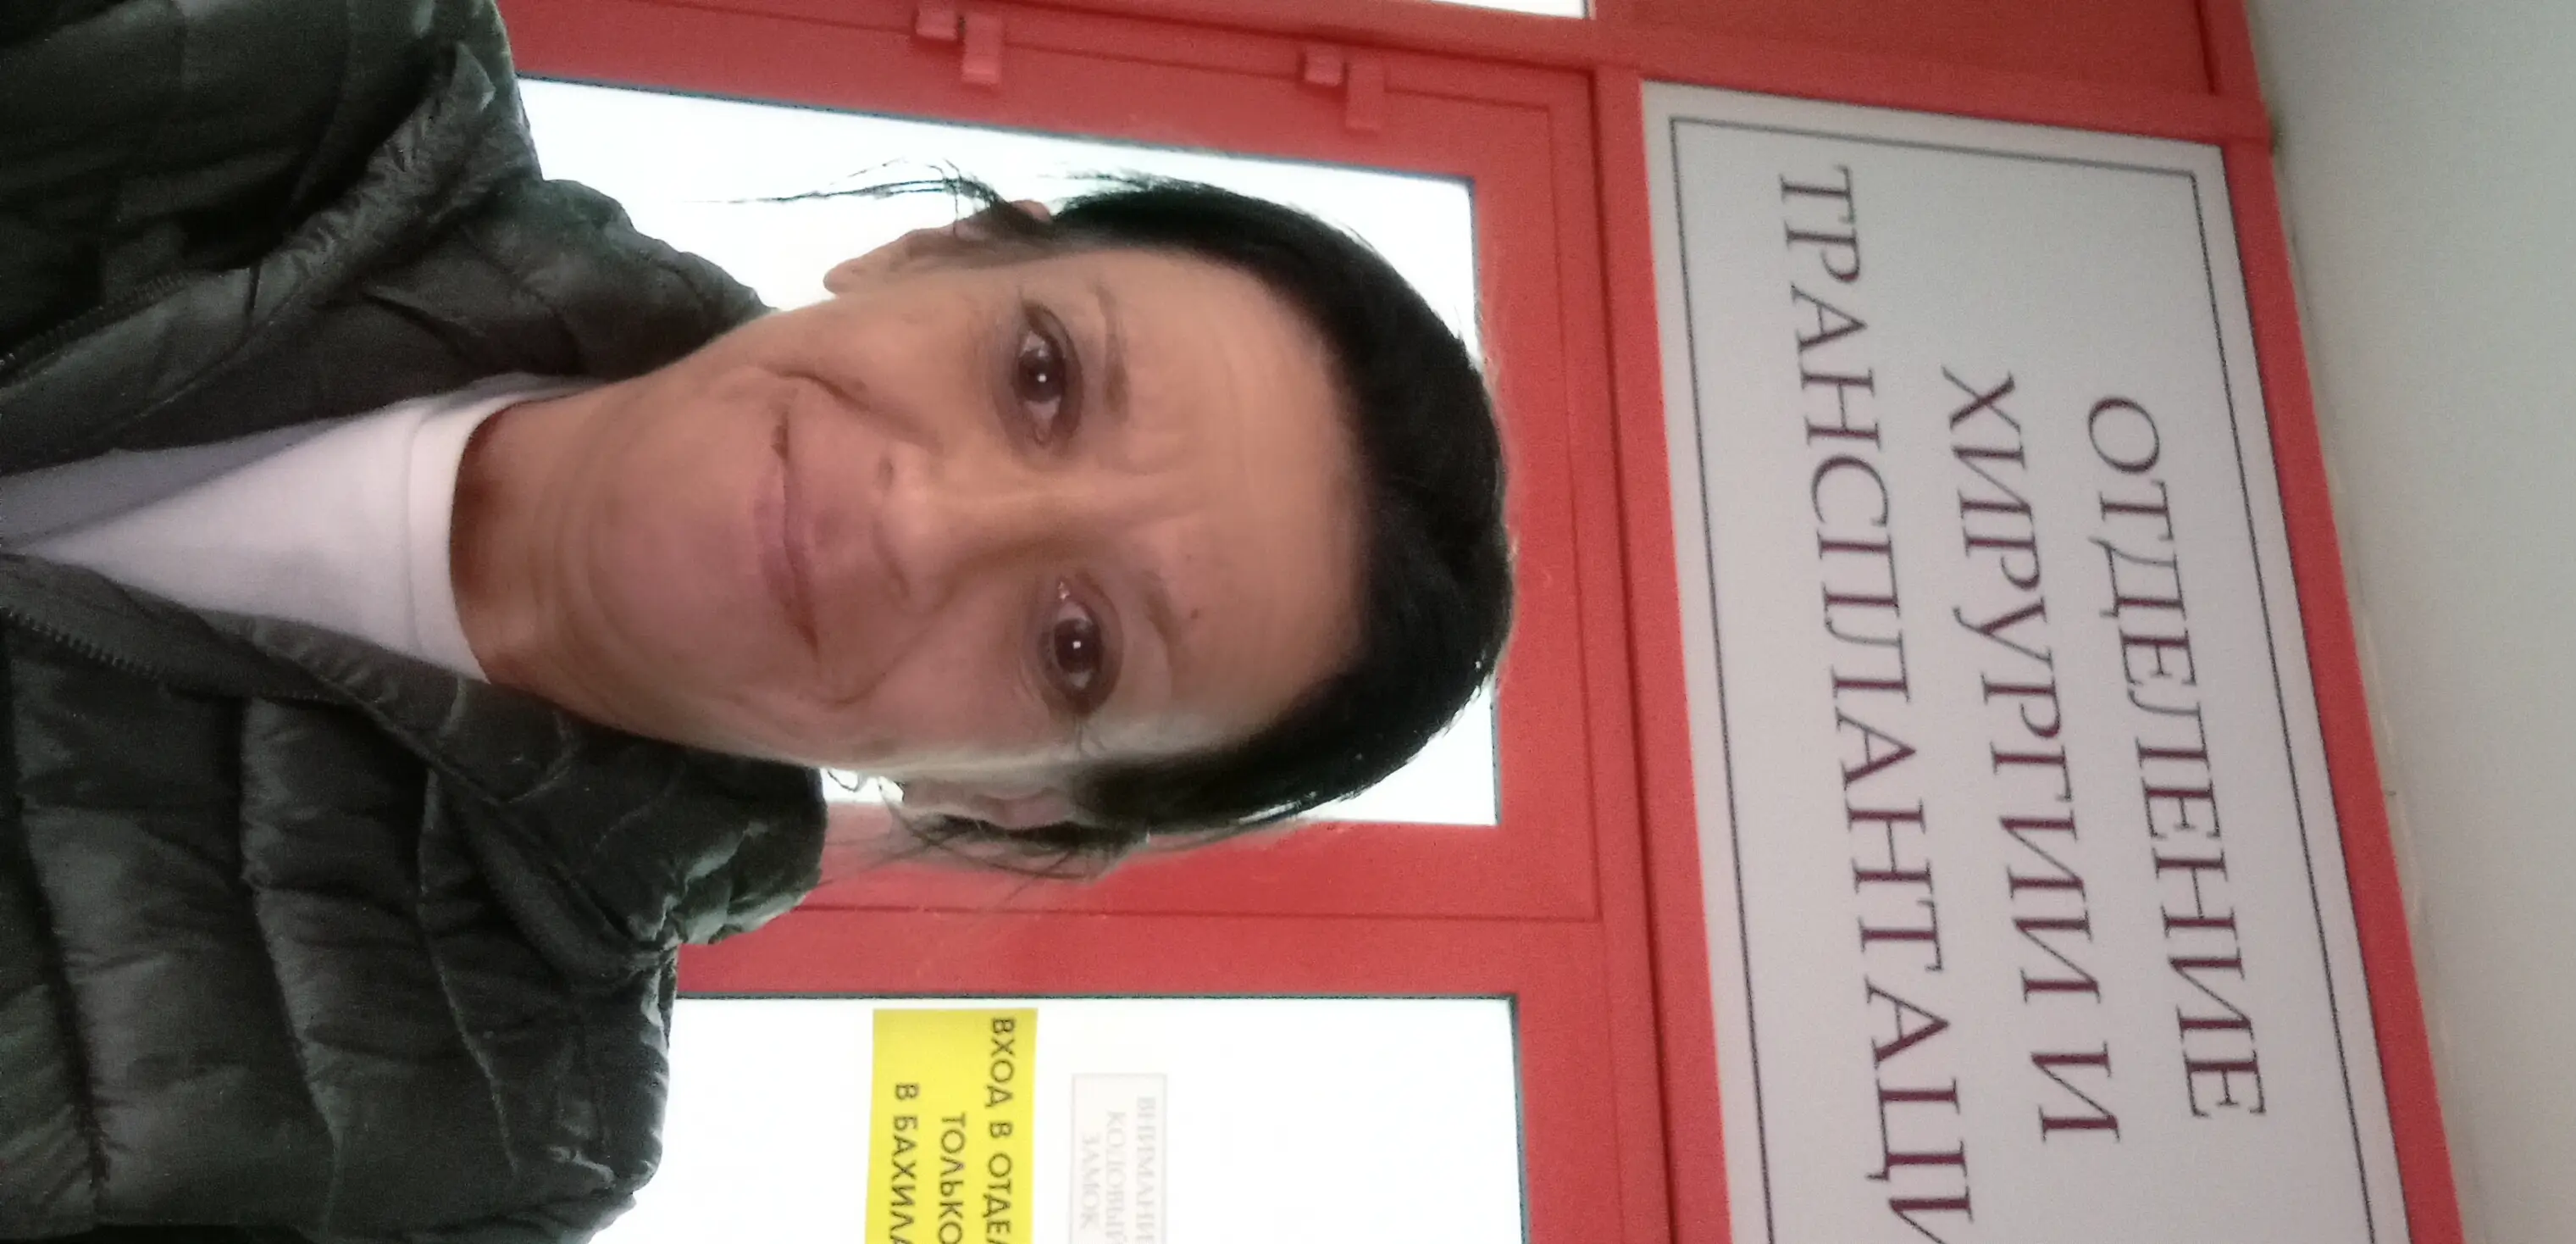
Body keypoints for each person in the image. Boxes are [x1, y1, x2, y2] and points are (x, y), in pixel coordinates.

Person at [0, 0, 1510, 1239]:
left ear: (1012, 798)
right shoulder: (314, 46)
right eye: (1041, 376)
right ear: (937, 254)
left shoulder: (474, 1147)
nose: (922, 523)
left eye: (1075, 647)